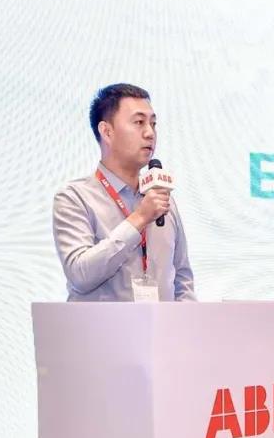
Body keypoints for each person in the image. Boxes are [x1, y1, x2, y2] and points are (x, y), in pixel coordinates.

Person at [52, 83, 196, 301]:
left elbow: (182, 279)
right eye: (139, 122)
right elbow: (80, 275)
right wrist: (139, 218)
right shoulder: (74, 198)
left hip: (163, 324)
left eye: (153, 124)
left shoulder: (161, 197)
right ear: (107, 132)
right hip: (101, 325)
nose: (150, 133)